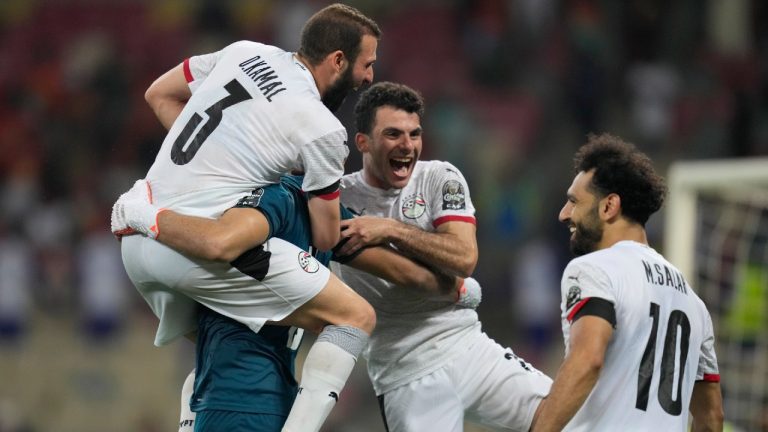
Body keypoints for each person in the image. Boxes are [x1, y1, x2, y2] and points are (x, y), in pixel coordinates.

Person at [111, 4, 383, 432]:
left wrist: (218, 159)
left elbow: (157, 94)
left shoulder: (243, 51)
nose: (369, 77)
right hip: (192, 243)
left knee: (221, 341)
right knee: (354, 316)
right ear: (337, 60)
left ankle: (190, 423)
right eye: (367, 64)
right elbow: (328, 236)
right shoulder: (321, 127)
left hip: (136, 250)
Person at [145, 174, 478, 431]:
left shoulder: (322, 214)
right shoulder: (274, 201)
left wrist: (457, 289)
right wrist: (146, 218)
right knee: (355, 315)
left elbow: (404, 272)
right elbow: (218, 245)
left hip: (265, 395)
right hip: (241, 399)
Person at [332, 81, 552, 432]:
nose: (407, 145)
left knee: (571, 418)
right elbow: (403, 277)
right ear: (363, 142)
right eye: (393, 134)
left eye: (414, 134)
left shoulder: (440, 177)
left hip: (468, 345)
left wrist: (390, 229)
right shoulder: (338, 200)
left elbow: (464, 257)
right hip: (405, 370)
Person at [531, 134, 724, 431]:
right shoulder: (694, 304)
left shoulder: (593, 269)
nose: (564, 214)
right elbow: (711, 418)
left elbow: (588, 359)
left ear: (609, 206)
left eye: (573, 201)